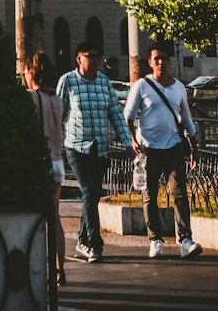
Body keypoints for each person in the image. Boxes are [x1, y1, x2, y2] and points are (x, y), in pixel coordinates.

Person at [125, 44, 202, 260]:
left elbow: (186, 118)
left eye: (164, 58)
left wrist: (194, 147)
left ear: (170, 61)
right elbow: (128, 115)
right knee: (149, 195)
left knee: (179, 194)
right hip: (149, 149)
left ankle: (185, 240)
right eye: (156, 59)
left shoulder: (179, 88)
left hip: (174, 146)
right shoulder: (142, 85)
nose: (161, 62)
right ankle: (155, 239)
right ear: (150, 62)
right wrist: (133, 139)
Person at [57, 40, 132, 264]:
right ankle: (93, 244)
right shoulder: (67, 81)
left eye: (97, 56)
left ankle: (81, 240)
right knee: (89, 192)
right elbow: (58, 113)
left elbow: (115, 113)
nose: (95, 60)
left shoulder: (104, 82)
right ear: (79, 59)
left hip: (101, 148)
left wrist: (127, 141)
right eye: (90, 55)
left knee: (92, 196)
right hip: (76, 147)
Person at [24, 52, 67, 287]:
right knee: (55, 218)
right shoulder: (57, 101)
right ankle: (60, 271)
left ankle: (37, 270)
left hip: (40, 163)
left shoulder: (30, 98)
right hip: (58, 162)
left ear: (31, 73)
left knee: (36, 218)